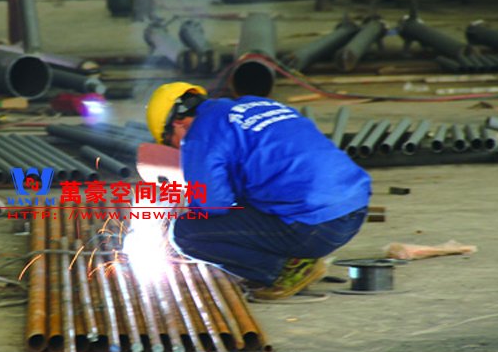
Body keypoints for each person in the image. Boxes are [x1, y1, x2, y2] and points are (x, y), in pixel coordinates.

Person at [145, 83, 372, 300]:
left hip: (315, 227)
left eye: (171, 143)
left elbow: (213, 206)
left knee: (185, 233)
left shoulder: (199, 136)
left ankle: (285, 270)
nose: (178, 149)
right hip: (354, 210)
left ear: (178, 123)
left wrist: (186, 210)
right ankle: (296, 256)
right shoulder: (255, 105)